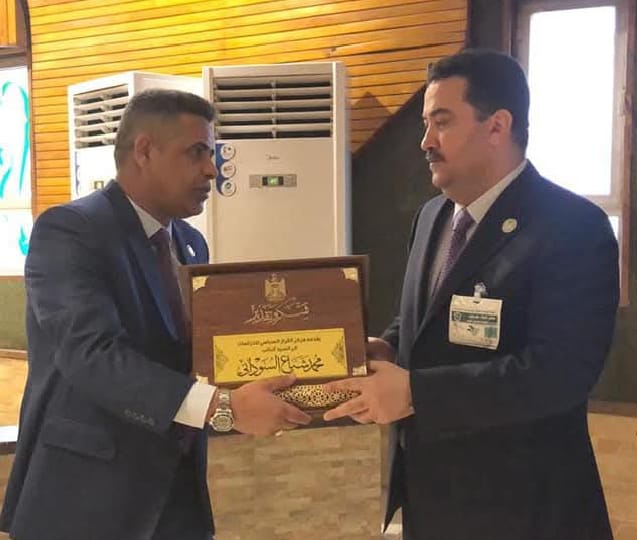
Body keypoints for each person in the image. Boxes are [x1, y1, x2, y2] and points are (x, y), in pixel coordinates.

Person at [324, 49, 619, 540]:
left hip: (524, 508)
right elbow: (423, 320)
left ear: (497, 126)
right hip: (432, 495)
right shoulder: (432, 217)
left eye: (442, 122)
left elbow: (559, 374)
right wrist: (388, 346)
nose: (425, 142)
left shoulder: (572, 227)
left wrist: (414, 392)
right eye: (425, 124)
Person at [0, 89, 311, 540]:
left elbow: (205, 354)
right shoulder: (70, 230)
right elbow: (91, 355)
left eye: (212, 154)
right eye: (197, 152)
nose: (212, 169)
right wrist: (224, 408)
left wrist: (312, 360)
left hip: (176, 497)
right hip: (85, 500)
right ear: (144, 150)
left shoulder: (190, 243)